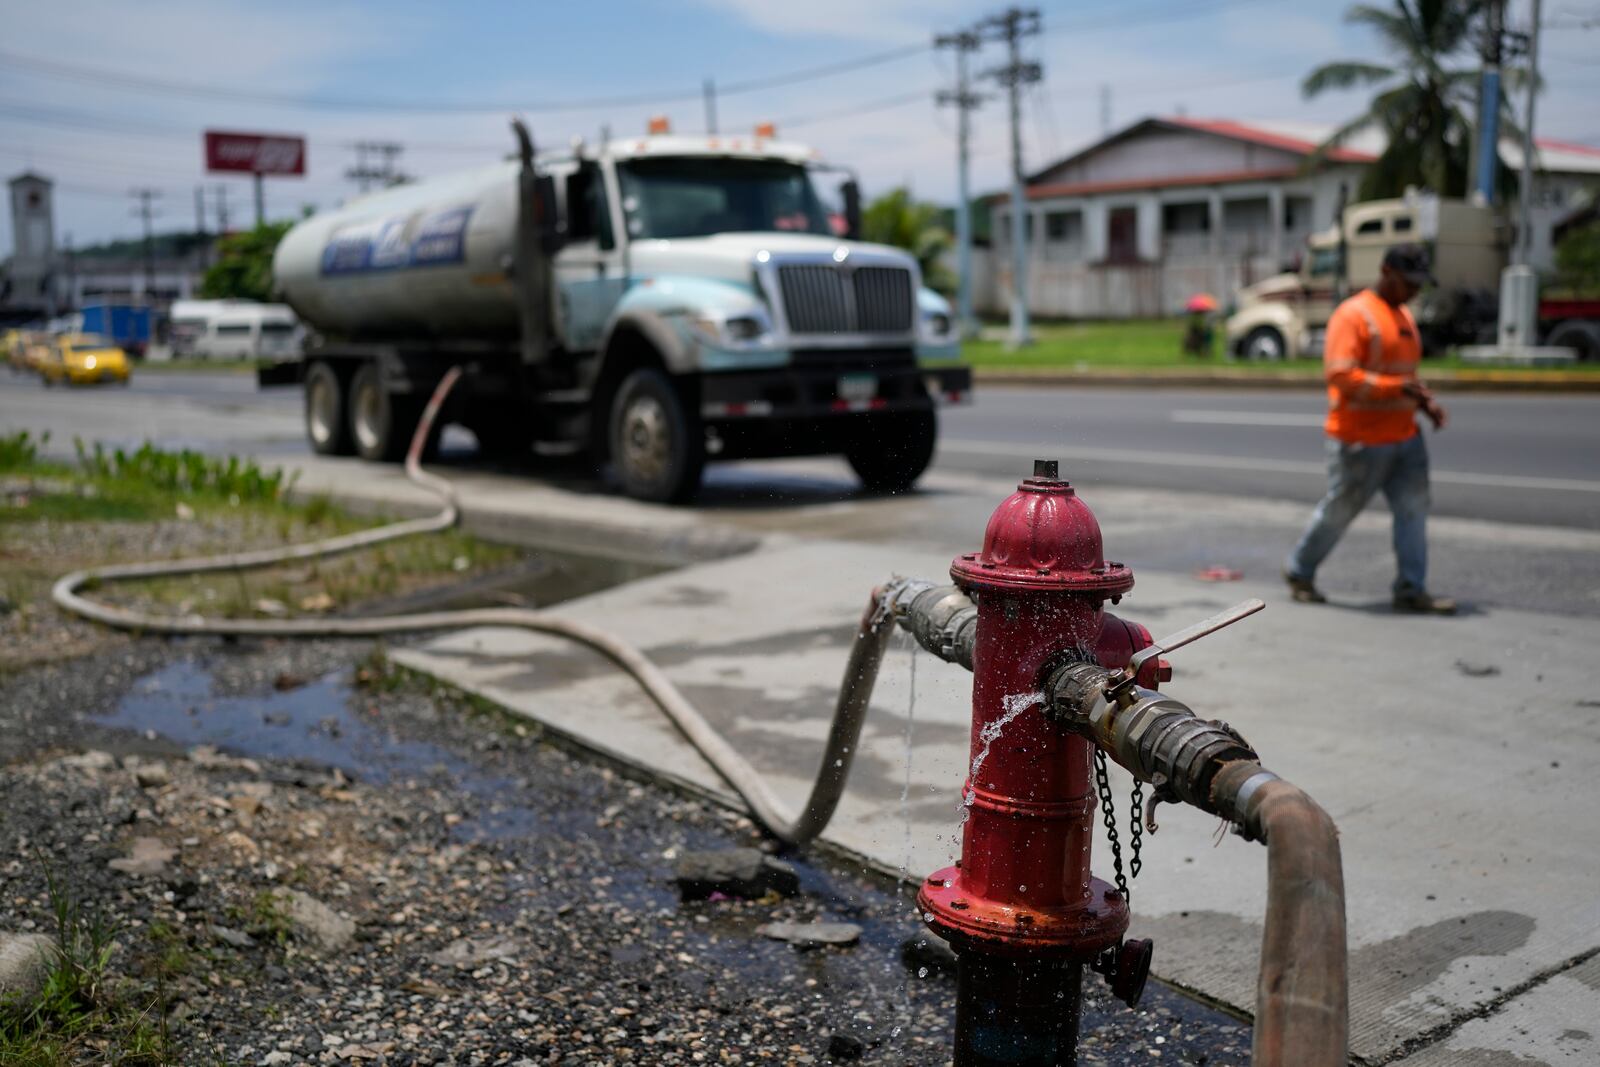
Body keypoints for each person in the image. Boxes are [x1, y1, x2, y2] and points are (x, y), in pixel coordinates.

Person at [1284, 243, 1456, 614]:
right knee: (1340, 510)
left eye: (1419, 284)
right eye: (1408, 282)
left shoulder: (1404, 316)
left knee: (1413, 511)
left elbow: (1404, 376)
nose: (1414, 290)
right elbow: (1340, 375)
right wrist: (1399, 389)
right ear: (1386, 272)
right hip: (1360, 440)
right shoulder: (1354, 314)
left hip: (1405, 437)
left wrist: (1425, 405)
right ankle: (1300, 571)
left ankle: (1411, 589)